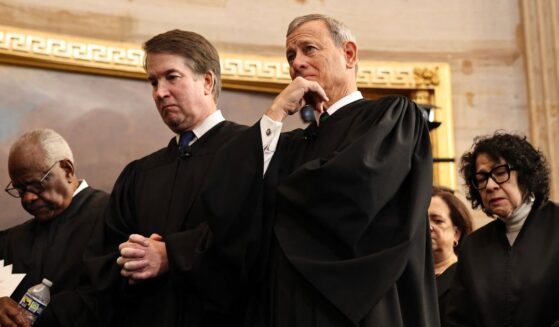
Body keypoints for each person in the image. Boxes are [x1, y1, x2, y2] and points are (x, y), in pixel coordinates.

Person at [201, 14, 439, 326]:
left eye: (309, 49)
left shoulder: (390, 116)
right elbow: (227, 196)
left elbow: (354, 188)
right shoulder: (287, 142)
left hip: (361, 307)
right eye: (290, 55)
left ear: (349, 54)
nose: (297, 63)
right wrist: (274, 114)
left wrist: (274, 193)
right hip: (285, 303)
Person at [83, 29, 246, 326]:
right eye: (153, 82)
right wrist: (134, 259)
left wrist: (172, 253)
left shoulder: (250, 151)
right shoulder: (140, 173)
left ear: (207, 81)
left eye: (172, 77)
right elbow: (104, 261)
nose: (159, 92)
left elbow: (249, 238)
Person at [445, 132, 559, 326]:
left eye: (499, 173)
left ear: (525, 175)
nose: (490, 185)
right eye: (481, 179)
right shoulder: (472, 247)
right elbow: (458, 319)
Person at [0, 129, 109, 327]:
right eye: (20, 190)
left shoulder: (112, 217)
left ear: (67, 169)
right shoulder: (11, 241)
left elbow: (106, 298)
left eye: (36, 185)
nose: (28, 198)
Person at [428, 186, 472, 326]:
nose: (428, 227)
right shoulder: (403, 275)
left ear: (456, 233)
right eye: (422, 220)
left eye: (438, 220)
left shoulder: (468, 277)